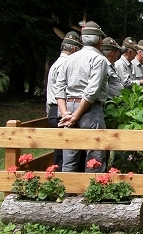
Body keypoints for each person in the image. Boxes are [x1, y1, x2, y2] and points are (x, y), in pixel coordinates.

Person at [54, 21, 109, 173]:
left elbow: (59, 87)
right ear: (99, 41)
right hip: (90, 109)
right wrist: (75, 116)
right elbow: (92, 91)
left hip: (69, 107)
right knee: (95, 157)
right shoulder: (99, 60)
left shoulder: (70, 58)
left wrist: (65, 113)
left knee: (69, 156)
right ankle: (92, 194)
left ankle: (67, 193)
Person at [45, 31, 82, 169]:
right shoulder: (65, 65)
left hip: (55, 110)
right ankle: (60, 181)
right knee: (63, 151)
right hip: (61, 110)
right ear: (73, 49)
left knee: (61, 149)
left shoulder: (56, 63)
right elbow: (61, 90)